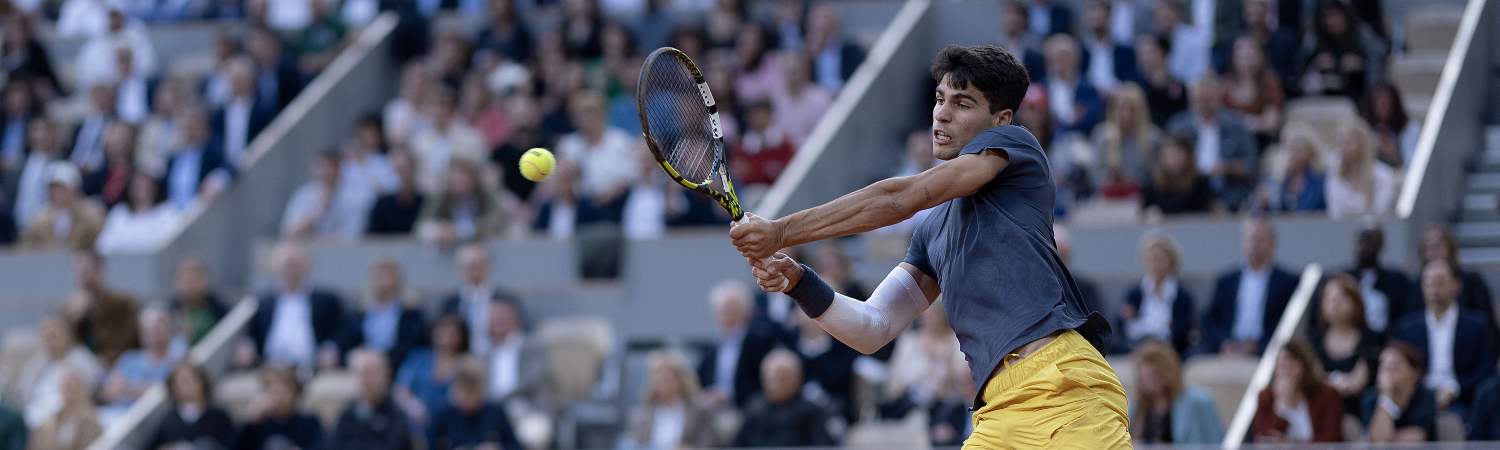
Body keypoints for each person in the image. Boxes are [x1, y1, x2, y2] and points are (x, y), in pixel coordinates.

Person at [730, 44, 1127, 447]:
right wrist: (799, 280)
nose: (943, 112)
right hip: (997, 409)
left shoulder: (1017, 145)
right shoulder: (933, 231)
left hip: (1066, 387)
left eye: (963, 102)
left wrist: (781, 232)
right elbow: (873, 328)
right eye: (940, 98)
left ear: (1000, 119)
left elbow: (903, 198)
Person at [1392, 259, 1499, 411]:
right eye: (1428, 282)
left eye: (1440, 281)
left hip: (1464, 401)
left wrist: (1454, 389)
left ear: (1456, 286)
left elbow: (1486, 370)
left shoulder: (1478, 324)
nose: (1434, 288)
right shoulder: (1406, 328)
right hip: (1417, 402)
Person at [1201, 218, 1299, 356]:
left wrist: (1257, 346)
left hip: (1266, 349)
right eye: (1250, 239)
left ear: (1272, 244)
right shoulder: (1226, 280)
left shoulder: (1287, 282)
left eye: (1260, 239)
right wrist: (1224, 343)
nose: (1255, 245)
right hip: (1228, 346)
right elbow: (1209, 320)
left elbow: (1288, 323)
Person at [246, 241, 345, 371]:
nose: (291, 269)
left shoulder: (327, 300)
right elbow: (250, 333)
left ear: (307, 266)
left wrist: (332, 347)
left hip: (313, 367)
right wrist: (246, 345)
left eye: (296, 264)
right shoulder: (262, 302)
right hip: (270, 367)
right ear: (275, 267)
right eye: (287, 264)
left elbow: (344, 329)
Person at [1166, 76, 1258, 211]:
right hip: (1188, 195)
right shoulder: (1178, 127)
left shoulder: (1236, 126)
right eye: (1199, 100)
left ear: (1218, 99)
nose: (1203, 105)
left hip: (1231, 194)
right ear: (1191, 100)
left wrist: (1227, 168)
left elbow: (1252, 165)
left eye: (1208, 100)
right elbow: (1165, 166)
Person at [696, 279, 777, 409]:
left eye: (732, 310)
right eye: (722, 311)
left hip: (748, 411)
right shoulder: (712, 348)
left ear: (746, 311)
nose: (727, 315)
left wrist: (730, 396)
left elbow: (765, 384)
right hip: (714, 413)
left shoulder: (761, 342)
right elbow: (700, 381)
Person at [731, 349, 838, 447]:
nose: (776, 383)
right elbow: (739, 445)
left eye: (782, 377)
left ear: (798, 378)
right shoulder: (755, 409)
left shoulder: (812, 411)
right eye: (772, 378)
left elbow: (822, 445)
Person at [620, 350, 720, 449]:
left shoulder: (700, 411)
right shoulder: (642, 414)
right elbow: (634, 444)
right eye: (656, 376)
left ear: (680, 380)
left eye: (666, 377)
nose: (661, 382)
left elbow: (708, 444)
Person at [1129, 340, 1224, 443]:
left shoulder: (1198, 402)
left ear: (1166, 373)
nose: (1146, 383)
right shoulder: (1136, 408)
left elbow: (1216, 442)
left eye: (1152, 376)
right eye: (1142, 378)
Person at [1311, 275, 1382, 412]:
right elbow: (1314, 378)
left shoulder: (1372, 338)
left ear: (1356, 302)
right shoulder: (1315, 339)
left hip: (1356, 411)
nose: (1334, 303)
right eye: (1329, 298)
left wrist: (1331, 383)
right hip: (1321, 411)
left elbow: (1357, 383)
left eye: (1341, 297)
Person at [339, 259, 426, 369]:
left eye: (388, 278)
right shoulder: (360, 313)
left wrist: (381, 359)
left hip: (397, 366)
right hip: (362, 365)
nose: (383, 283)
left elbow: (410, 346)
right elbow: (348, 340)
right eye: (379, 278)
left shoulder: (411, 314)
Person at [1252, 338, 1344, 442]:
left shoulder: (1327, 395)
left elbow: (1330, 440)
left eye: (1291, 364)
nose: (1286, 370)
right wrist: (1282, 404)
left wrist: (1293, 443)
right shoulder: (1266, 397)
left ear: (1305, 366)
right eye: (1282, 365)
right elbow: (1264, 439)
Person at [1119, 232, 1196, 355]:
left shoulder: (1182, 296)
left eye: (1159, 259)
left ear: (1171, 261)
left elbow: (1184, 330)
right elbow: (1121, 326)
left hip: (1170, 348)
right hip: (1137, 346)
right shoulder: (1134, 293)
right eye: (1149, 259)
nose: (1154, 265)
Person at [99, 305, 184, 416]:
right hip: (123, 415)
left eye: (160, 325)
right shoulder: (129, 359)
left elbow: (166, 390)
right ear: (142, 335)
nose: (156, 331)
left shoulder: (179, 354)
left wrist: (127, 389)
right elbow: (109, 392)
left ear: (169, 329)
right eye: (150, 329)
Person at [18, 317, 102, 428]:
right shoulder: (37, 363)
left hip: (66, 420)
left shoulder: (83, 360)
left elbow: (90, 392)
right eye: (46, 337)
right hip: (33, 416)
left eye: (54, 336)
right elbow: (23, 394)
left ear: (68, 335)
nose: (50, 342)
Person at [882, 304, 963, 419]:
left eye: (934, 315)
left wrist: (944, 359)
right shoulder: (909, 342)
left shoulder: (957, 342)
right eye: (926, 315)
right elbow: (897, 379)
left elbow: (962, 380)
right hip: (909, 406)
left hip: (947, 407)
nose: (929, 319)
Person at [61, 249, 140, 366]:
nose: (83, 278)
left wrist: (96, 308)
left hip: (116, 365)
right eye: (78, 272)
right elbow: (64, 346)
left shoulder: (122, 303)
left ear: (100, 270)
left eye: (86, 271)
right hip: (82, 367)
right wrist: (73, 319)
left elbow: (129, 341)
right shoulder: (71, 307)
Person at [393, 314, 470, 434]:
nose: (446, 337)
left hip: (449, 425)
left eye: (452, 333)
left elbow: (465, 398)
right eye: (442, 331)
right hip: (414, 421)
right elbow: (401, 390)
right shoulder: (418, 358)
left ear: (461, 337)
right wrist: (413, 406)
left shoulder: (466, 364)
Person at [428, 360, 522, 450]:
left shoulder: (495, 413)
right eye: (464, 392)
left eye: (471, 392)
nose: (468, 399)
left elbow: (515, 446)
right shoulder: (442, 415)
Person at [1337, 225, 1412, 336]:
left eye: (1370, 241)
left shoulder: (1397, 280)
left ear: (1380, 245)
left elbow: (1404, 317)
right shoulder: (1343, 278)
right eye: (1360, 241)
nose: (1364, 247)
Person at [333, 349, 414, 450]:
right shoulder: (346, 414)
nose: (368, 380)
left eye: (374, 373)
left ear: (387, 376)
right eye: (363, 373)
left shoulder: (398, 415)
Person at [281, 150, 371, 241]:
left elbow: (352, 237)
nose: (325, 172)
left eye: (330, 167)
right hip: (305, 251)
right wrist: (317, 212)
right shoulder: (303, 195)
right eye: (321, 167)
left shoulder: (353, 199)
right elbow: (289, 232)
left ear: (339, 171)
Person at [480, 293, 549, 411]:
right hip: (491, 410)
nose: (498, 319)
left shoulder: (532, 346)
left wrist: (501, 398)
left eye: (503, 314)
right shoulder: (484, 354)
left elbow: (532, 380)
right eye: (494, 316)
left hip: (527, 407)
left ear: (516, 317)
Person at [1089, 83, 1160, 197]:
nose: (1126, 114)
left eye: (1131, 109)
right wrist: (1110, 178)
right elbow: (1094, 175)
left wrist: (1131, 180)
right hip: (1108, 198)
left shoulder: (1153, 138)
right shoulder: (1102, 136)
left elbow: (1156, 178)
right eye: (1122, 108)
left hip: (1141, 197)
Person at [415, 159, 507, 245]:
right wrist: (438, 231)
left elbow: (496, 220)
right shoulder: (441, 196)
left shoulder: (486, 194)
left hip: (482, 248)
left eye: (463, 175)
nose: (458, 178)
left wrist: (461, 231)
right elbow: (422, 224)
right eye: (453, 175)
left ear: (474, 178)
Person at [147, 364, 238, 449]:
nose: (188, 385)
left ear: (202, 382)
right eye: (182, 382)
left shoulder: (219, 416)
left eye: (192, 379)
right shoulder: (168, 421)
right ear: (173, 388)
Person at [1362, 341, 1438, 442]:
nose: (1388, 373)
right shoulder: (1370, 398)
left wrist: (1385, 441)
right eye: (1384, 366)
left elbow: (1415, 438)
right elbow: (1379, 440)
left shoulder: (1425, 396)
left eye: (1395, 366)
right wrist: (1386, 396)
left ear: (1415, 372)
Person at [160, 105, 233, 210]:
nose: (189, 130)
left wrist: (216, 180)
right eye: (185, 125)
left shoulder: (211, 150)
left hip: (200, 209)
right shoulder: (173, 158)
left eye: (193, 125)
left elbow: (229, 165)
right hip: (174, 213)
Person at [20, 161, 105, 249]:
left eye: (62, 188)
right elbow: (26, 246)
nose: (58, 192)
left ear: (75, 188)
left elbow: (100, 244)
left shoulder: (91, 215)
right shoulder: (39, 218)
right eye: (54, 188)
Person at [1419, 225, 1496, 321]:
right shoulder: (1416, 284)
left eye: (1438, 245)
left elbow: (1486, 320)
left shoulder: (1472, 281)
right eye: (1430, 246)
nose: (1434, 251)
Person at [439, 244, 504, 354]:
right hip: (460, 360)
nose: (474, 270)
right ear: (459, 269)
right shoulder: (450, 304)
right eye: (470, 266)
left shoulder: (505, 300)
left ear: (489, 266)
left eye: (479, 264)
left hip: (496, 357)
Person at [239, 366, 324, 450]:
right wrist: (250, 421)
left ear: (295, 393)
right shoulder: (257, 424)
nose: (279, 397)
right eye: (274, 391)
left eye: (284, 391)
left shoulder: (309, 422)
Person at [1299, 1, 1370, 99]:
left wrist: (1361, 65)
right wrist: (1314, 66)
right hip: (1323, 98)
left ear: (1346, 17)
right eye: (1329, 17)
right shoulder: (1314, 42)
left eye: (1337, 16)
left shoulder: (1361, 38)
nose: (1333, 21)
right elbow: (1300, 76)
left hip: (1355, 97)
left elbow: (1376, 68)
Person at [1326, 121, 1397, 219]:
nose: (1342, 149)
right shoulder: (1334, 177)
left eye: (1347, 143)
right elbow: (1335, 215)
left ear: (1362, 145)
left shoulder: (1383, 176)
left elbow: (1381, 214)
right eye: (1339, 144)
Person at [1221, 36, 1283, 142]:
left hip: (1260, 141)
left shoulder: (1269, 83)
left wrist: (1250, 124)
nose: (1247, 57)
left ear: (1261, 56)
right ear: (1234, 57)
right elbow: (1218, 120)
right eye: (1242, 53)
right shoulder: (1224, 86)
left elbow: (1272, 122)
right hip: (1230, 142)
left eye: (1251, 52)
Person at [1039, 35, 1104, 135]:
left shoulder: (1087, 87)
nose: (1059, 60)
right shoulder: (1041, 87)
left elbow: (1093, 116)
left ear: (1076, 58)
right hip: (1047, 139)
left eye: (1064, 55)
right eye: (1054, 55)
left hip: (1079, 137)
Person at [1140, 135, 1216, 216]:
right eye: (1167, 156)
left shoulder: (1199, 182)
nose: (1172, 161)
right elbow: (1144, 209)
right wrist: (1149, 212)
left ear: (1187, 156)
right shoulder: (1153, 184)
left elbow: (1210, 209)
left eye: (1177, 155)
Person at [27, 369, 101, 450]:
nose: (69, 392)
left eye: (73, 387)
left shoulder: (91, 421)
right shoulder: (50, 420)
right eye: (65, 387)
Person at [772, 52, 833, 147]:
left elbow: (825, 134)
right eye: (787, 72)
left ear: (805, 71)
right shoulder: (775, 99)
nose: (791, 77)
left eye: (794, 72)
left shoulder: (821, 98)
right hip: (784, 154)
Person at [805, 5, 865, 92]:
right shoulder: (805, 56)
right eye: (817, 29)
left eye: (826, 28)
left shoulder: (852, 50)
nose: (822, 34)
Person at [365, 149, 426, 236]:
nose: (402, 175)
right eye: (398, 170)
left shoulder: (425, 203)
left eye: (406, 169)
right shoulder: (381, 205)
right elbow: (372, 238)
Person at [1267, 126, 1326, 212]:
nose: (1293, 155)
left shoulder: (1320, 181)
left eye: (1298, 151)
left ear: (1310, 154)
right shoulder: (1278, 178)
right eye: (1290, 150)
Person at [169, 256, 227, 344]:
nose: (190, 283)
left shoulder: (218, 309)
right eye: (186, 278)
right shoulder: (170, 311)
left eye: (195, 276)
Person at [1133, 36, 1188, 127]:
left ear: (1164, 53)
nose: (1145, 58)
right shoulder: (1136, 87)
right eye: (1142, 54)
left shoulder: (1178, 86)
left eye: (1150, 52)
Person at [1361, 82, 1419, 168]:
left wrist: (1393, 153)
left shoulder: (1410, 128)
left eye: (1387, 103)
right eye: (1378, 102)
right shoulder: (1362, 128)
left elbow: (1414, 166)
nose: (1383, 106)